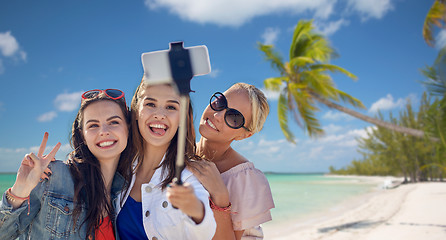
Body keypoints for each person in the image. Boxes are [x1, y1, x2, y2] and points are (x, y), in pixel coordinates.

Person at [0, 89, 133, 239]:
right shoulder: (53, 177)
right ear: (82, 134)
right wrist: (19, 192)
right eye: (93, 125)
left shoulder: (128, 193)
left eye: (114, 122)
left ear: (128, 127)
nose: (103, 131)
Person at [115, 82, 216, 239]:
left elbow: (205, 233)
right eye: (150, 104)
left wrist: (196, 210)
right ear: (136, 111)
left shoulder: (188, 175)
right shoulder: (119, 165)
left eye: (171, 107)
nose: (160, 114)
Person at [189, 83, 275, 240]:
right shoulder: (178, 152)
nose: (217, 115)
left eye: (233, 117)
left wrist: (220, 197)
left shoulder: (245, 179)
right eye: (220, 103)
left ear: (244, 135)